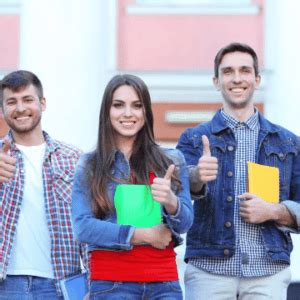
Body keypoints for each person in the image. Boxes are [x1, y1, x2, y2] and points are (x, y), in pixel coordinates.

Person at [177, 42, 300, 300]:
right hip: (209, 271)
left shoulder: (289, 143)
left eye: (245, 70)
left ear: (256, 79)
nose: (236, 78)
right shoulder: (194, 138)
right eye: (228, 71)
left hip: (267, 272)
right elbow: (176, 195)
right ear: (216, 80)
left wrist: (274, 211)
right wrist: (197, 176)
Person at [72, 74, 193, 299]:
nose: (128, 113)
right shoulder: (90, 164)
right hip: (111, 284)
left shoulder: (172, 160)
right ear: (107, 112)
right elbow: (83, 227)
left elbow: (185, 223)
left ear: (145, 113)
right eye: (119, 105)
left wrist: (171, 201)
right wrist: (142, 235)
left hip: (164, 283)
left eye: (136, 106)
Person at [0, 70, 85, 299]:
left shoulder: (74, 158)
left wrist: (94, 282)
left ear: (42, 103)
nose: (20, 108)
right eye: (11, 102)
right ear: (2, 109)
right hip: (6, 284)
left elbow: (88, 221)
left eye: (27, 99)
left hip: (60, 284)